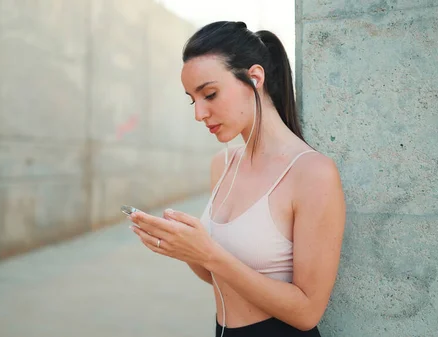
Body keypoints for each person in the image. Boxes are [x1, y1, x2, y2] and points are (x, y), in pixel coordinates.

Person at [128, 21, 346, 337]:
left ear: (255, 77)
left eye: (210, 94)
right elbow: (215, 274)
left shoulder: (312, 173)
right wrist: (183, 247)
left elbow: (307, 312)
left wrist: (208, 253)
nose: (199, 114)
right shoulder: (223, 164)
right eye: (193, 99)